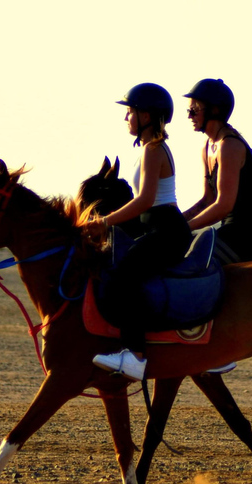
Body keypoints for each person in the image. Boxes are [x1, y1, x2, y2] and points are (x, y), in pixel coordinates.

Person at [88, 83, 192, 381]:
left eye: (130, 112)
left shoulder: (154, 150)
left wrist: (105, 222)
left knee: (124, 274)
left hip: (166, 231)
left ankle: (135, 355)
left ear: (146, 115)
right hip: (159, 227)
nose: (127, 118)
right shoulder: (149, 149)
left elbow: (145, 201)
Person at [182, 79, 252, 264]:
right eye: (189, 110)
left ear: (214, 110)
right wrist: (177, 223)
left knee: (194, 261)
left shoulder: (229, 146)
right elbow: (208, 200)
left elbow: (223, 206)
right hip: (232, 229)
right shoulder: (207, 147)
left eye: (194, 109)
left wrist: (184, 228)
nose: (189, 115)